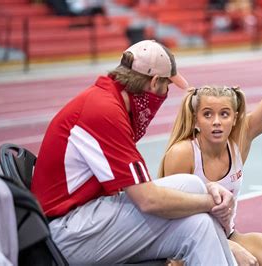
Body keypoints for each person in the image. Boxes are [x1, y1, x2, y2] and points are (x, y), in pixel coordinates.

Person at [30, 40, 237, 265]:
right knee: (196, 193)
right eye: (166, 86)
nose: (165, 93)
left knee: (198, 224)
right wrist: (211, 203)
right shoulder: (104, 111)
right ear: (155, 81)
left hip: (82, 219)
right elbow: (148, 200)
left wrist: (208, 200)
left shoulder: (108, 99)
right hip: (67, 231)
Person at [159, 6, 262, 266]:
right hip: (182, 246)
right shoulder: (182, 154)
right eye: (208, 114)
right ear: (196, 120)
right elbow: (170, 220)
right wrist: (230, 249)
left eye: (224, 114)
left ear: (234, 118)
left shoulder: (239, 141)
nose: (216, 122)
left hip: (228, 234)